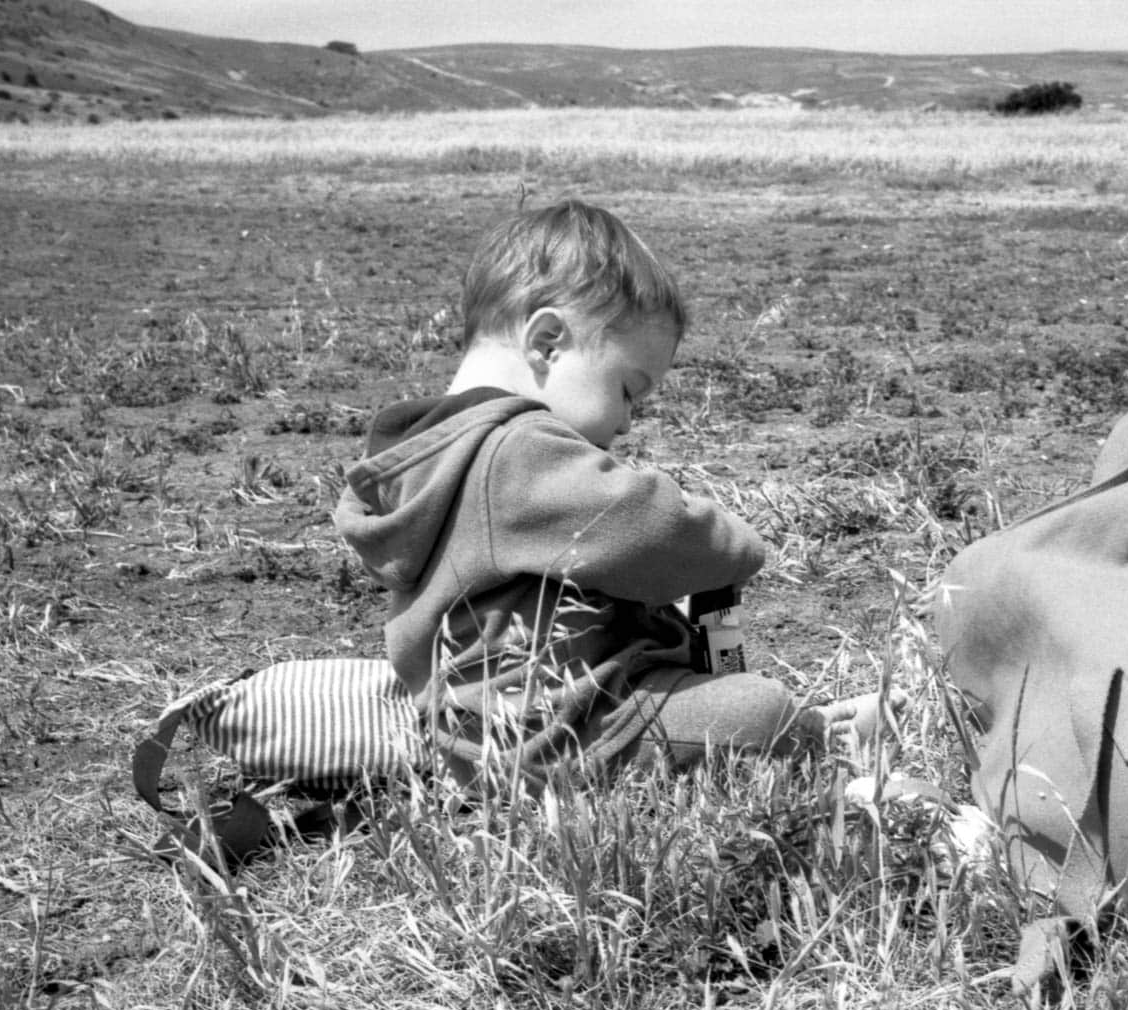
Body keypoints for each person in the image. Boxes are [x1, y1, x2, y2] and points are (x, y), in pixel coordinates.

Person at [334, 198, 898, 790]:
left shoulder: (432, 456)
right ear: (547, 343)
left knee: (708, 687)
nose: (628, 423)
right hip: (557, 736)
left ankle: (796, 730)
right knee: (759, 712)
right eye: (628, 390)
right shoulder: (519, 451)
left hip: (481, 735)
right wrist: (735, 542)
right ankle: (816, 739)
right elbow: (656, 531)